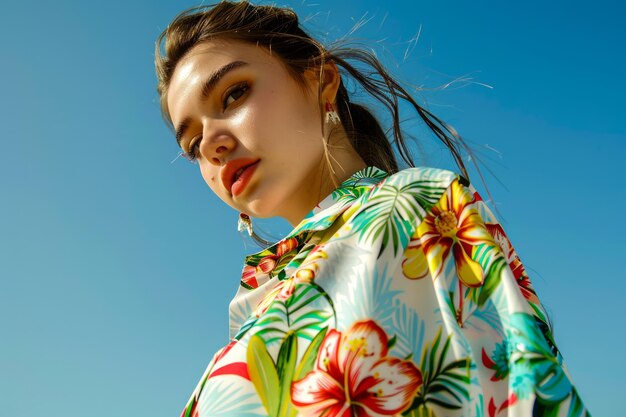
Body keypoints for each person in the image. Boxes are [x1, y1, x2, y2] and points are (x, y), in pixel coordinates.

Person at [155, 2, 590, 416]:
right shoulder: (255, 306)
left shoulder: (417, 211)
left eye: (234, 95)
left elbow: (526, 397)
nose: (211, 144)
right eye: (192, 144)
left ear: (321, 79)